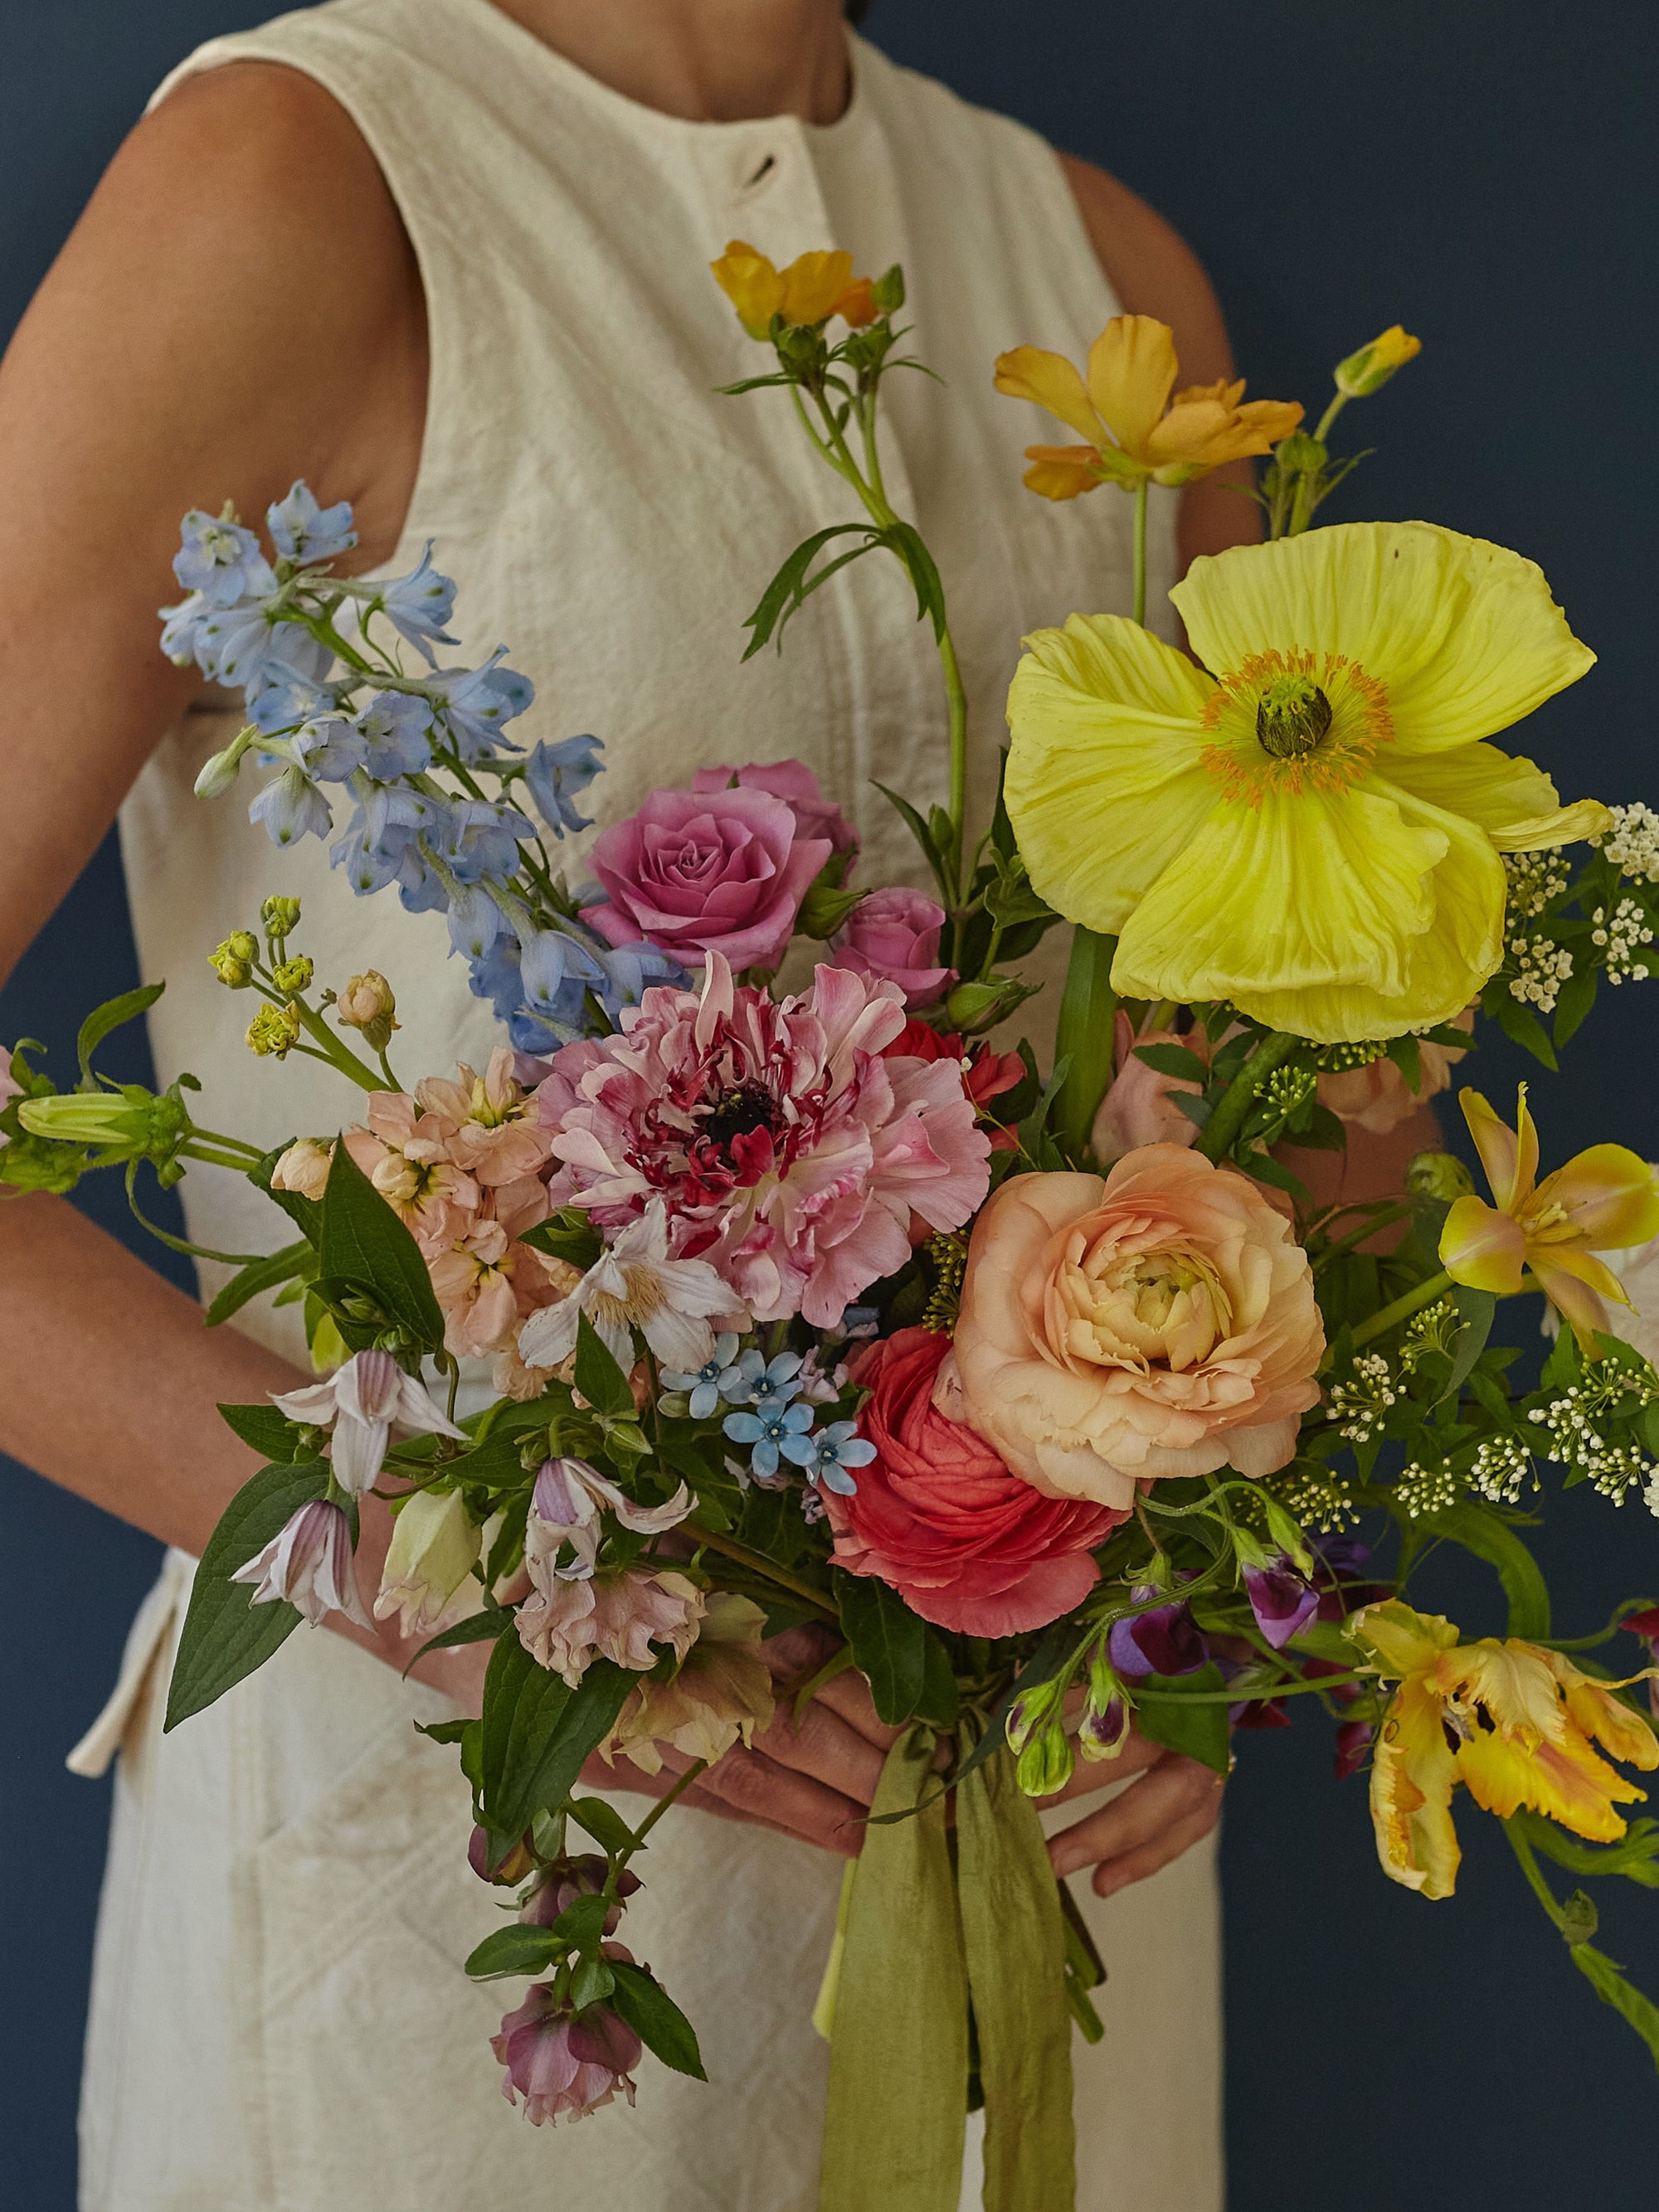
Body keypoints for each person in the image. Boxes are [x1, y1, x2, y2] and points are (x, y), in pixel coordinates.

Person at [0, 2, 1387, 2204]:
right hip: (474, 1909)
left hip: (1048, 1876)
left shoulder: (1107, 279)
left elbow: (1302, 1071)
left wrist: (1229, 1513)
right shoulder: (302, 185)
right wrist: (431, 1571)